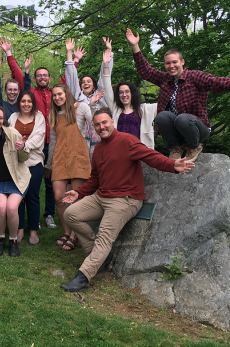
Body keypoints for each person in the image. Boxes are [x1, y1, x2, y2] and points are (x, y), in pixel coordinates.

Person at [60, 107, 195, 292]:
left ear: (112, 122)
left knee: (104, 238)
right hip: (102, 196)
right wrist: (79, 193)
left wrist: (172, 164)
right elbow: (95, 179)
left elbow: (151, 157)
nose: (101, 127)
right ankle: (97, 255)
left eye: (104, 122)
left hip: (125, 199)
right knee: (71, 214)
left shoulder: (127, 141)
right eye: (98, 124)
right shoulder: (98, 149)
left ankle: (84, 276)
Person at [126, 28, 230, 162]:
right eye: (168, 63)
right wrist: (135, 46)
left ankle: (194, 147)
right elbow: (145, 71)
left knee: (182, 118)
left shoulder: (194, 77)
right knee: (162, 116)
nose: (171, 66)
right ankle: (175, 148)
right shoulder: (165, 80)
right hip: (178, 131)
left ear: (182, 62)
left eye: (174, 62)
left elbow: (216, 82)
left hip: (199, 129)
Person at [0, 37, 58, 230]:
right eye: (38, 75)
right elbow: (18, 77)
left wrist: (72, 59)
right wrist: (9, 54)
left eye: (45, 75)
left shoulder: (55, 93)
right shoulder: (30, 94)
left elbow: (69, 81)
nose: (41, 77)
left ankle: (48, 215)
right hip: (25, 151)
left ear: (49, 78)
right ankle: (23, 225)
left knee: (49, 184)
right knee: (25, 189)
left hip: (48, 144)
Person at [44, 83, 93, 251]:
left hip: (78, 157)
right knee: (58, 197)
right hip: (59, 159)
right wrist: (49, 164)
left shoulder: (81, 108)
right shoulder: (55, 115)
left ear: (67, 93)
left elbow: (95, 124)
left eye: (60, 94)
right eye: (54, 95)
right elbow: (53, 142)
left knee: (76, 199)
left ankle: (74, 234)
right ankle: (66, 231)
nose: (57, 97)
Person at [0, 105, 31, 257]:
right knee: (0, 208)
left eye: (0, 118)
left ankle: (13, 241)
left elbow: (24, 158)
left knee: (11, 208)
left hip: (16, 179)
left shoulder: (11, 133)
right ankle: (0, 239)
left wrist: (22, 148)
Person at [64, 37, 113, 159]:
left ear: (94, 84)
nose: (86, 83)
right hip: (81, 138)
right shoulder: (77, 96)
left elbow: (105, 76)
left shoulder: (100, 95)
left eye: (89, 81)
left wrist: (108, 50)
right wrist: (69, 53)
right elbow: (71, 76)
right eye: (83, 82)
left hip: (100, 137)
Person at [8, 91, 45, 244]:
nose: (26, 104)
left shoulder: (39, 117)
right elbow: (9, 136)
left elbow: (38, 137)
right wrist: (18, 147)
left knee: (33, 197)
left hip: (34, 162)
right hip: (17, 163)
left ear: (33, 103)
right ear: (19, 102)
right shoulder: (13, 117)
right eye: (23, 101)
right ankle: (20, 229)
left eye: (29, 101)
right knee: (19, 197)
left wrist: (24, 146)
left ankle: (34, 230)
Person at [100, 49, 158, 148]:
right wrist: (106, 65)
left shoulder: (144, 109)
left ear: (132, 93)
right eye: (121, 92)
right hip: (118, 149)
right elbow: (106, 87)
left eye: (127, 91)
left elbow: (165, 103)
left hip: (138, 150)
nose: (124, 94)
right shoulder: (116, 109)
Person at [0, 53, 32, 120]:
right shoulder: (1, 105)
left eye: (15, 90)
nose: (12, 92)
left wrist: (26, 71)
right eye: (10, 89)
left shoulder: (21, 106)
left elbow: (27, 91)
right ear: (5, 91)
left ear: (18, 91)